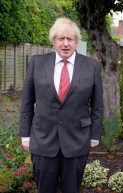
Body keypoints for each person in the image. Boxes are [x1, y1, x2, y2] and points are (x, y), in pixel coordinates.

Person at [19, 18, 103, 193]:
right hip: (43, 140)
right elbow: (27, 102)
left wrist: (94, 136)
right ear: (53, 41)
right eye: (61, 39)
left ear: (76, 41)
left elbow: (97, 105)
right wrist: (25, 136)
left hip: (77, 140)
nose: (66, 44)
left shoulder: (91, 66)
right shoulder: (37, 63)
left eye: (70, 39)